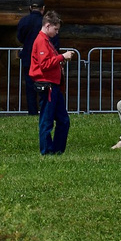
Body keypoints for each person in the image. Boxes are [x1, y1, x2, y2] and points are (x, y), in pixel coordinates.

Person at [29, 10, 76, 154]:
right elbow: (44, 64)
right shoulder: (41, 41)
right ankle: (47, 151)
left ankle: (57, 150)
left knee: (63, 120)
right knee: (47, 120)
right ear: (48, 26)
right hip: (47, 85)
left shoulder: (47, 41)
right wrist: (62, 57)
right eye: (55, 29)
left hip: (54, 85)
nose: (56, 32)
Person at [16, 8, 45, 114]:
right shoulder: (45, 22)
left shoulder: (24, 21)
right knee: (44, 85)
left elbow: (20, 37)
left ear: (30, 8)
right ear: (43, 8)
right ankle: (44, 110)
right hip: (43, 59)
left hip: (28, 58)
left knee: (30, 87)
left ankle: (32, 112)